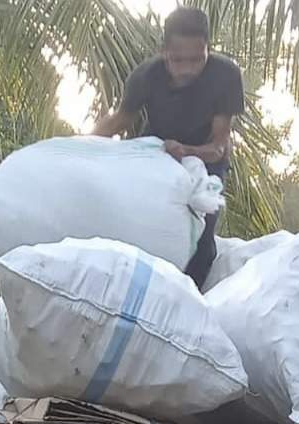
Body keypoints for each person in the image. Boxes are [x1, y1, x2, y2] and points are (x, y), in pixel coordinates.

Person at [93, 6, 245, 289]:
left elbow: (218, 147)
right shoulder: (146, 76)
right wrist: (82, 148)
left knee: (200, 241)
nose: (187, 69)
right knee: (138, 226)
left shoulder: (226, 75)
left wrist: (187, 151)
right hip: (157, 154)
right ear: (163, 52)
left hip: (205, 161)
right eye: (178, 60)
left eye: (196, 60)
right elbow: (118, 121)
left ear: (208, 50)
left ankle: (189, 296)